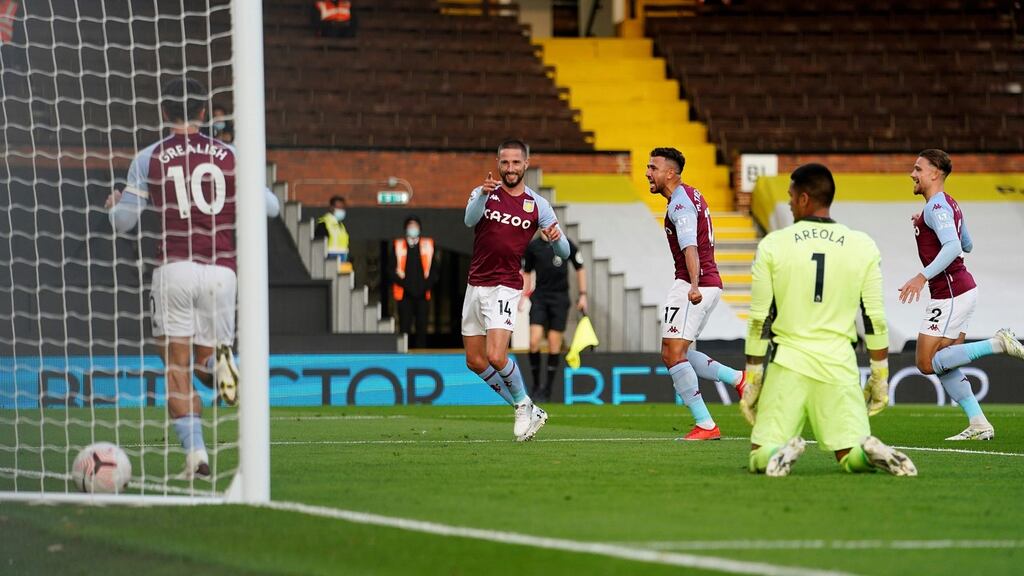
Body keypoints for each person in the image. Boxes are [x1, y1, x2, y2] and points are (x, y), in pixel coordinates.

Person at [106, 78, 281, 479]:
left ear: (165, 113)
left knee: (176, 367)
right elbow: (270, 208)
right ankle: (223, 367)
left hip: (175, 269)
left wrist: (114, 205)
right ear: (205, 113)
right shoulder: (232, 154)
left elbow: (125, 223)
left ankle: (197, 456)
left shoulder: (149, 157)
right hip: (223, 271)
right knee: (207, 361)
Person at [741, 163, 916, 477]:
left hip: (789, 363)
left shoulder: (773, 244)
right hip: (838, 363)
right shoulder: (862, 246)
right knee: (849, 454)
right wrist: (880, 374)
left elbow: (759, 319)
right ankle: (870, 452)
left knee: (759, 454)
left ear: (805, 198)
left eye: (791, 197)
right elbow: (874, 318)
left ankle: (778, 454)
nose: (790, 203)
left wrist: (753, 377)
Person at [897, 149, 1024, 441]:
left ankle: (997, 343)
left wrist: (921, 276)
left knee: (926, 362)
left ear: (934, 173)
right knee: (945, 361)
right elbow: (968, 243)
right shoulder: (947, 205)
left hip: (950, 292)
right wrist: (925, 224)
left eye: (918, 169)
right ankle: (978, 423)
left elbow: (954, 247)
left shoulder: (937, 207)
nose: (912, 174)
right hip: (961, 290)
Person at [463, 139, 569, 441]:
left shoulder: (538, 204)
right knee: (474, 361)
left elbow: (565, 249)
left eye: (515, 163)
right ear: (498, 163)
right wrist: (482, 197)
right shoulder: (483, 193)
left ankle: (523, 405)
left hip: (505, 286)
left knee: (497, 356)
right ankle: (526, 406)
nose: (510, 168)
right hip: (476, 285)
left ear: (526, 164)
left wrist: (555, 238)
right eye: (505, 162)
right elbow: (469, 219)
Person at [646, 147, 747, 441]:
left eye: (653, 168)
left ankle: (705, 424)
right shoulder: (692, 194)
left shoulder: (679, 205)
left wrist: (692, 284)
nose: (647, 173)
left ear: (670, 173)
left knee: (673, 354)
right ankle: (739, 379)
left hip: (695, 283)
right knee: (680, 352)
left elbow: (690, 246)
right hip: (705, 282)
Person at [520, 235, 586, 401]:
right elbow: (526, 272)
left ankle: (548, 389)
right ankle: (536, 385)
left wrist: (583, 295)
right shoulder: (533, 246)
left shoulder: (565, 243)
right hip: (540, 297)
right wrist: (522, 295)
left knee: (553, 343)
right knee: (534, 341)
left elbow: (580, 267)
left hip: (560, 298)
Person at [390, 215, 439, 348]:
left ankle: (421, 353)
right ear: (405, 229)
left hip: (423, 294)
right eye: (410, 226)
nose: (413, 229)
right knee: (404, 326)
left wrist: (424, 287)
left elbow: (434, 272)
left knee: (422, 326)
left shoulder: (428, 245)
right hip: (404, 294)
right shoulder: (398, 245)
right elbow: (391, 271)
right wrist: (407, 286)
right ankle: (404, 353)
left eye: (415, 226)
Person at [315, 195, 351, 271]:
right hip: (330, 260)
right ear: (331, 208)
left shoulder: (340, 226)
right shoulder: (324, 224)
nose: (341, 210)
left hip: (342, 259)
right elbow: (319, 245)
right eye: (338, 207)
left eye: (342, 208)